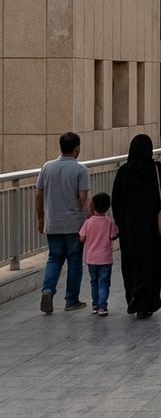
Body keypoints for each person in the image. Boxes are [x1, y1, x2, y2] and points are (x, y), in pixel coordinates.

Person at [112, 133, 161, 318]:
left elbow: (116, 200)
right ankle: (148, 302)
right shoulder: (156, 170)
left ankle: (134, 296)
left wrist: (120, 223)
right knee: (153, 264)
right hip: (153, 228)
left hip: (130, 228)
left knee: (131, 264)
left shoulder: (123, 172)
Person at [35, 132, 90, 315]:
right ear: (77, 149)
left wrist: (41, 219)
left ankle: (48, 290)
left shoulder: (46, 167)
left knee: (54, 258)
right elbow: (83, 198)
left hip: (53, 223)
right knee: (74, 261)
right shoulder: (80, 170)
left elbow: (39, 194)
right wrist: (89, 219)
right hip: (74, 224)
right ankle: (71, 300)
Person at [78, 192, 118, 316]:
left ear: (93, 206)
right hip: (105, 259)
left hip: (91, 259)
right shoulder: (109, 222)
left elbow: (82, 238)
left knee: (93, 282)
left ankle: (95, 305)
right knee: (104, 282)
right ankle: (102, 306)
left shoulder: (88, 222)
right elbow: (113, 236)